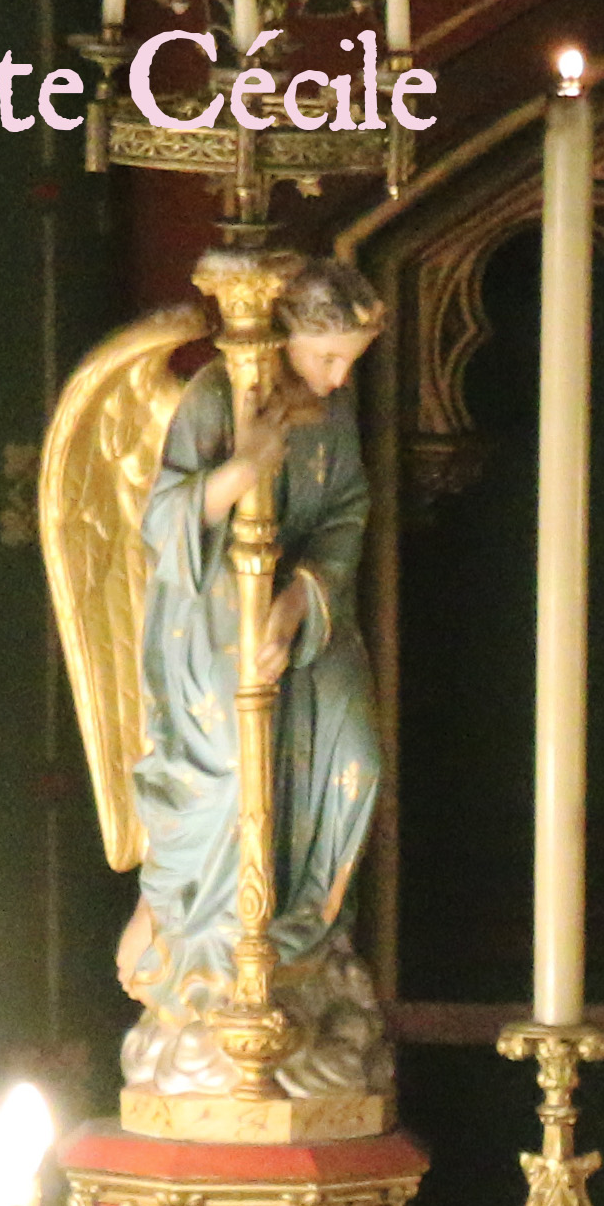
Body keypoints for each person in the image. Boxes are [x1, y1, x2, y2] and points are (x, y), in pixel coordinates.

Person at [120, 250, 388, 1101]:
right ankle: (201, 945)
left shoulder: (334, 415)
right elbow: (162, 521)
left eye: (351, 360)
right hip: (208, 621)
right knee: (236, 772)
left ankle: (301, 945)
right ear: (288, 336)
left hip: (305, 619)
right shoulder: (216, 396)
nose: (339, 378)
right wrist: (244, 466)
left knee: (356, 763)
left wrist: (299, 600)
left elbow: (345, 514)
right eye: (328, 356)